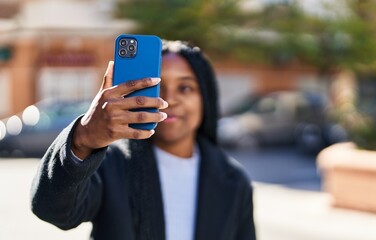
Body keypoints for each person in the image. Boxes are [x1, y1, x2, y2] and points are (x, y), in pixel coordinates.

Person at [30, 40, 256, 240]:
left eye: (185, 87)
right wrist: (82, 139)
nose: (169, 99)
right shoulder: (111, 163)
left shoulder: (234, 181)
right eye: (156, 86)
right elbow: (52, 209)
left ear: (205, 97)